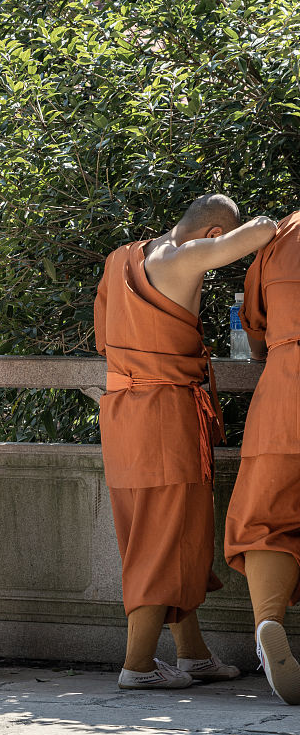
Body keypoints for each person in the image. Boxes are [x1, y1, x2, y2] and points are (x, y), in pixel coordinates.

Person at [94, 194, 276, 690]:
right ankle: (138, 665)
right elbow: (261, 230)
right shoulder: (182, 257)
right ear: (214, 234)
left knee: (168, 532)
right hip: (164, 416)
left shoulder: (120, 258)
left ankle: (193, 655)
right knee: (161, 538)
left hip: (122, 412)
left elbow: (104, 339)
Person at [224, 209, 300, 705]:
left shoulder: (284, 233)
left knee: (267, 519)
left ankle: (268, 620)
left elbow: (254, 327)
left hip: (286, 388)